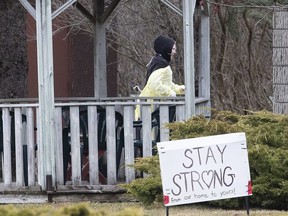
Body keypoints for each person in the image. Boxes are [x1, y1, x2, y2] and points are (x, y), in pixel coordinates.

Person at [135, 35, 185, 120]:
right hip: (152, 107)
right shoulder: (161, 64)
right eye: (173, 49)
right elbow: (153, 84)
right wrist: (170, 94)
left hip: (149, 104)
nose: (175, 52)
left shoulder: (158, 61)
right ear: (166, 49)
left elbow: (165, 83)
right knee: (152, 132)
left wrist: (179, 89)